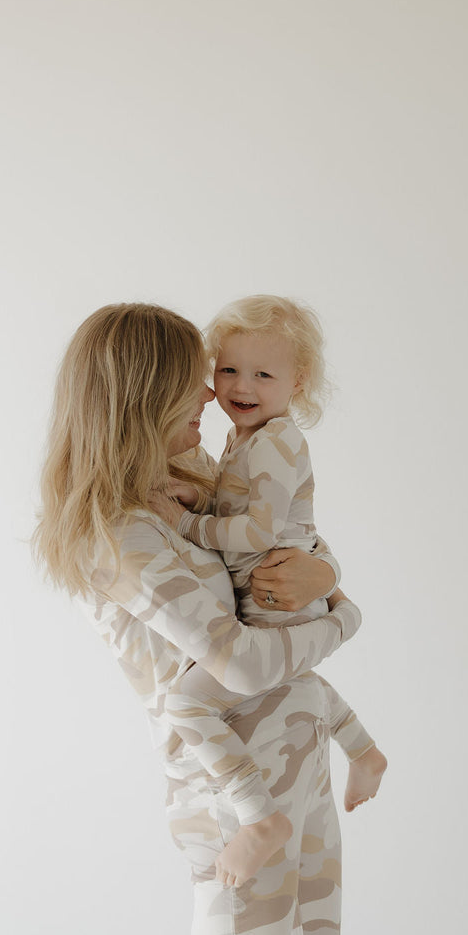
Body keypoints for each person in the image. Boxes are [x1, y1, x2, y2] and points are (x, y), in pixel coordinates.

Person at [33, 303, 364, 935]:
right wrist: (344, 619)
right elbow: (239, 665)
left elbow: (286, 540)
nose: (212, 395)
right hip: (238, 797)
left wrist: (325, 572)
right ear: (145, 395)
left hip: (297, 755)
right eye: (194, 381)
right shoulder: (120, 532)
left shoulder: (192, 476)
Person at [151, 296, 386, 891]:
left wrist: (187, 523)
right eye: (229, 369)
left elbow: (257, 533)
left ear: (297, 382)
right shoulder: (245, 437)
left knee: (188, 705)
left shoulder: (278, 441)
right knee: (290, 680)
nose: (241, 386)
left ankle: (258, 819)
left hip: (276, 596)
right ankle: (364, 751)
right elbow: (242, 504)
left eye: (263, 374)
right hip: (274, 594)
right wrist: (202, 498)